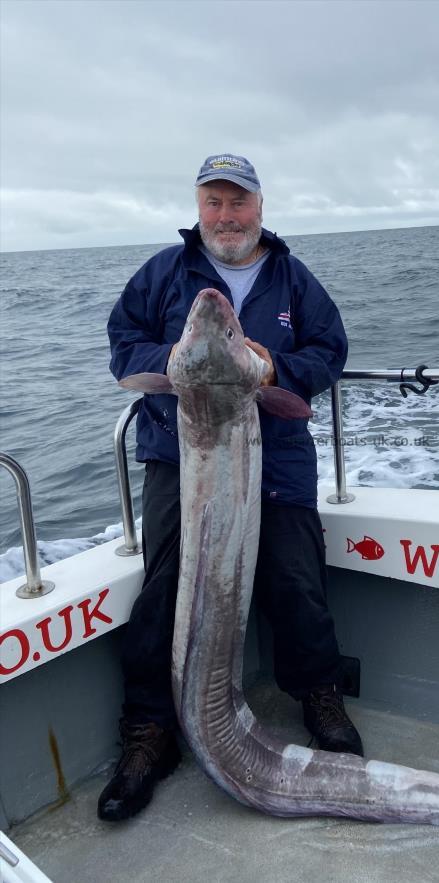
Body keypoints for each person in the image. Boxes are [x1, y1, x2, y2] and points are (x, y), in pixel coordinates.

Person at [100, 153, 362, 822]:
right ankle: (151, 729)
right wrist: (178, 362)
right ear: (199, 209)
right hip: (179, 454)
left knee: (296, 577)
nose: (226, 215)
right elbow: (122, 342)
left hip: (274, 458)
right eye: (213, 202)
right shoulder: (164, 272)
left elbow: (330, 350)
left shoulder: (292, 278)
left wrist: (272, 363)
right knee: (165, 589)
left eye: (237, 201)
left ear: (260, 208)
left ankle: (320, 696)